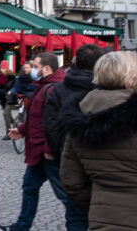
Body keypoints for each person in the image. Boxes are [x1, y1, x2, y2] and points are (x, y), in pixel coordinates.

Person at [60, 51, 137, 230]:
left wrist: (103, 196)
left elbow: (71, 181)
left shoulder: (79, 113)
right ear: (133, 78)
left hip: (101, 218)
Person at [0, 52, 68, 231]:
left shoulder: (53, 88)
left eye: (36, 67)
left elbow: (56, 124)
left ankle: (81, 221)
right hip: (38, 150)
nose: (32, 70)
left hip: (47, 151)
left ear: (46, 68)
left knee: (64, 193)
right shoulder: (42, 85)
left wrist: (48, 149)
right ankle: (21, 226)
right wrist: (22, 130)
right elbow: (37, 118)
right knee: (29, 186)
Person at [43, 43, 104, 231]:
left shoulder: (60, 89)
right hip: (101, 161)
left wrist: (60, 154)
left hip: (70, 159)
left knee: (76, 215)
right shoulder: (106, 87)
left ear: (75, 61)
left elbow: (51, 126)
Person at [3, 61, 37, 138]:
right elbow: (16, 86)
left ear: (31, 68)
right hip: (23, 95)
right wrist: (11, 91)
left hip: (32, 95)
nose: (26, 69)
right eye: (24, 67)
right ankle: (20, 119)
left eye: (27, 68)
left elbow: (36, 87)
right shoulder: (21, 77)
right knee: (21, 108)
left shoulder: (35, 77)